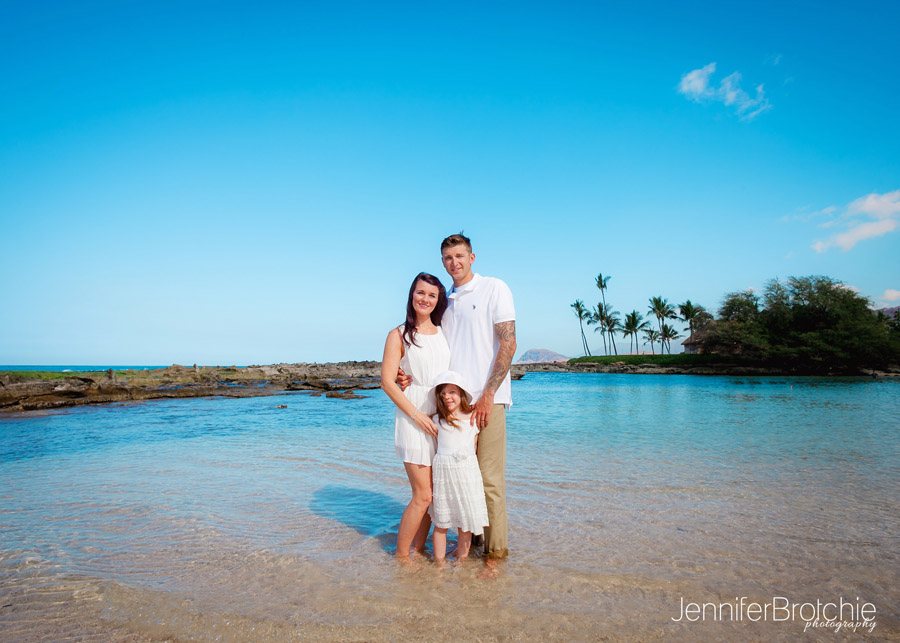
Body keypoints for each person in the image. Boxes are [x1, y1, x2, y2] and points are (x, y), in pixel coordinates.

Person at [402, 233, 516, 562]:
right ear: (443, 262)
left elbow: (509, 343)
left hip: (487, 401)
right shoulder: (445, 303)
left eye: (460, 256)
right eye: (449, 258)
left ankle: (496, 555)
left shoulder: (494, 288)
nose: (455, 262)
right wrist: (405, 373)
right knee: (463, 478)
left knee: (490, 481)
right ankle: (473, 544)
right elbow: (433, 350)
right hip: (452, 406)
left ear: (472, 257)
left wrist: (487, 394)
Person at [380, 272, 451, 561]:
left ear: (438, 301)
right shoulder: (397, 335)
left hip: (441, 420)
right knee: (422, 495)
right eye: (420, 293)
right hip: (413, 418)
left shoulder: (445, 332)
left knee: (435, 498)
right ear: (412, 295)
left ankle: (418, 550)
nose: (425, 299)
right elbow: (386, 382)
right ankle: (402, 558)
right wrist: (417, 415)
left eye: (432, 295)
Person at [428, 371, 489, 564]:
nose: (447, 397)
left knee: (465, 524)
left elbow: (476, 447)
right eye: (443, 393)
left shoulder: (473, 419)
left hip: (467, 475)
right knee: (441, 523)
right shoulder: (437, 420)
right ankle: (439, 564)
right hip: (444, 475)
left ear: (461, 394)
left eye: (452, 392)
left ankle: (462, 562)